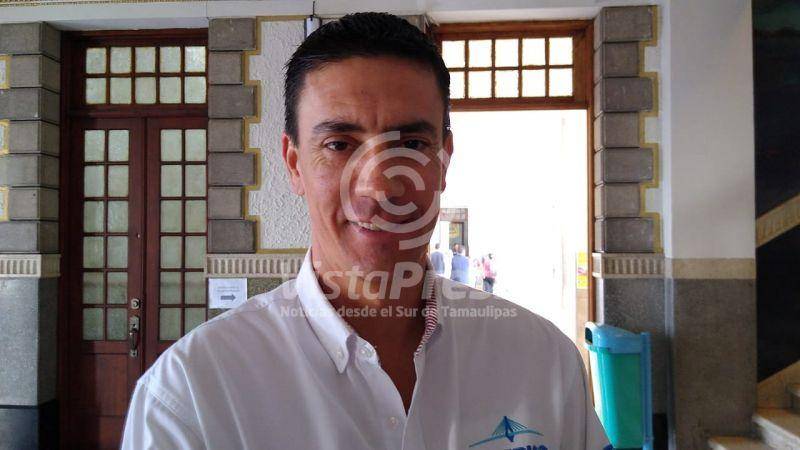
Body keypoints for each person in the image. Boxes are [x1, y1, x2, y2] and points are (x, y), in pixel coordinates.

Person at [121, 12, 609, 450]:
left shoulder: (543, 361)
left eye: (411, 143)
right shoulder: (192, 394)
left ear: (443, 161)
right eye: (339, 144)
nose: (379, 186)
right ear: (294, 164)